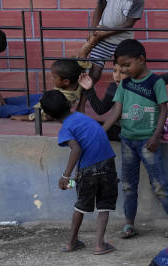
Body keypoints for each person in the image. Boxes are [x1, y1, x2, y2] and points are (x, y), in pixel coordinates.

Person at [98, 39, 168, 239]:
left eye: (127, 65)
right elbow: (116, 111)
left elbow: (163, 110)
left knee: (159, 183)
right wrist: (100, 132)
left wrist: (155, 136)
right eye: (120, 67)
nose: (124, 70)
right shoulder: (125, 84)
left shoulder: (156, 82)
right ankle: (129, 224)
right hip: (127, 140)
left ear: (141, 60)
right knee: (128, 184)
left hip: (148, 142)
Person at [42, 89, 118, 256]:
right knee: (104, 206)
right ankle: (99, 245)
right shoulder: (83, 118)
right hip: (108, 164)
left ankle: (72, 242)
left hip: (89, 170)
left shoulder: (66, 128)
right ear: (68, 104)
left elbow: (76, 149)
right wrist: (78, 171)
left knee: (82, 205)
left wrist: (66, 175)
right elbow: (89, 144)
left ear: (48, 115)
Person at [80, 0, 144, 86]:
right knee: (94, 72)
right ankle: (82, 104)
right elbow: (99, 8)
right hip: (102, 41)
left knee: (125, 74)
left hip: (121, 42)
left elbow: (128, 25)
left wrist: (104, 33)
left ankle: (124, 102)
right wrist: (93, 31)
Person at [0, 58, 81, 120]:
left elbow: (43, 115)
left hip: (38, 108)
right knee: (7, 101)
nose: (52, 79)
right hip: (42, 98)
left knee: (5, 110)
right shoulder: (76, 81)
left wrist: (22, 118)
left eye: (54, 77)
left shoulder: (65, 98)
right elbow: (82, 61)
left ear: (66, 81)